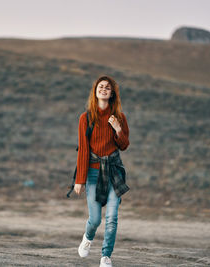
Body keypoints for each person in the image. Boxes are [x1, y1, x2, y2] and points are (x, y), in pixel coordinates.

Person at [74, 75, 130, 267]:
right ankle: (88, 237)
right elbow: (83, 150)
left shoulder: (120, 118)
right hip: (92, 173)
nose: (104, 89)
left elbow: (124, 145)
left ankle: (106, 256)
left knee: (112, 218)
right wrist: (79, 179)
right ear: (95, 91)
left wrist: (117, 129)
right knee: (96, 219)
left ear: (112, 93)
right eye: (100, 86)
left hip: (114, 171)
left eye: (107, 87)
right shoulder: (86, 118)